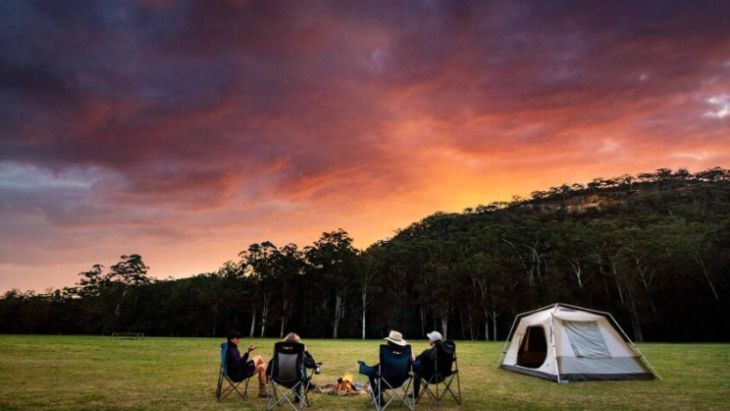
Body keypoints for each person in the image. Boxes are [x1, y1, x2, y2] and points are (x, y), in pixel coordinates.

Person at [358, 330, 415, 405]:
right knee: (378, 370)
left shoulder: (387, 353)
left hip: (385, 381)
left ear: (389, 342)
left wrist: (362, 366)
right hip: (401, 380)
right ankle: (378, 396)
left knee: (372, 373)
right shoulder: (405, 353)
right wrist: (407, 347)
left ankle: (378, 398)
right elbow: (413, 359)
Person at [225, 330, 268, 397]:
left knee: (259, 358)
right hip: (238, 374)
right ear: (231, 339)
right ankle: (263, 387)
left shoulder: (230, 348)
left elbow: (238, 362)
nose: (239, 340)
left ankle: (265, 379)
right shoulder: (232, 351)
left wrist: (248, 351)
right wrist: (248, 352)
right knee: (262, 367)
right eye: (237, 338)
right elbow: (239, 364)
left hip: (238, 370)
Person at [410, 330, 444, 398]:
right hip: (443, 375)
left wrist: (410, 352)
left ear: (433, 340)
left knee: (417, 371)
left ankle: (415, 393)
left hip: (431, 377)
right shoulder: (445, 353)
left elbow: (415, 361)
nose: (429, 339)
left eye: (430, 338)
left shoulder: (427, 353)